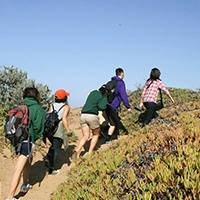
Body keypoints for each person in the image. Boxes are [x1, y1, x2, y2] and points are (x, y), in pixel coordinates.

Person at [6, 87, 45, 200]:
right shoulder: (38, 109)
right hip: (27, 140)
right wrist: (35, 137)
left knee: (28, 161)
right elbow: (38, 128)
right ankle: (10, 197)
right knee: (18, 168)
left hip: (17, 139)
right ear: (36, 96)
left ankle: (25, 185)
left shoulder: (21, 106)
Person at [72, 86, 108, 160]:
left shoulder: (93, 92)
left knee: (85, 136)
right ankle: (90, 152)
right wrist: (105, 99)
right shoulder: (103, 96)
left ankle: (77, 150)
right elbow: (102, 107)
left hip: (83, 115)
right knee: (96, 134)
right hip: (92, 116)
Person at [45, 89, 71, 175]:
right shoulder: (66, 107)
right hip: (58, 129)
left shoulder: (51, 105)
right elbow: (64, 119)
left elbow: (48, 115)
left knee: (53, 145)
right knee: (56, 148)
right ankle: (51, 169)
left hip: (49, 129)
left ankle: (48, 158)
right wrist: (68, 130)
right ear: (64, 98)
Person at [104, 68, 131, 142]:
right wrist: (127, 106)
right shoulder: (120, 83)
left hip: (106, 105)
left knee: (113, 122)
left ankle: (111, 137)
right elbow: (123, 95)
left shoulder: (111, 82)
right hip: (113, 106)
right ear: (122, 73)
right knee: (115, 123)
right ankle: (110, 139)